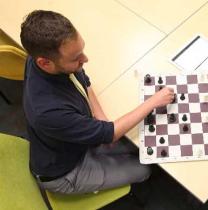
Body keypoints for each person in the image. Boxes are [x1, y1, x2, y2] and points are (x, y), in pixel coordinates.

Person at [21, 10, 175, 194]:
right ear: (45, 63)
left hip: (75, 141)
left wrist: (100, 116)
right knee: (144, 169)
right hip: (64, 172)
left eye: (81, 51)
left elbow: (82, 80)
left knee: (141, 143)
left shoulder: (42, 56)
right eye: (76, 58)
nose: (85, 59)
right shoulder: (49, 112)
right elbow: (110, 134)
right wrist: (153, 102)